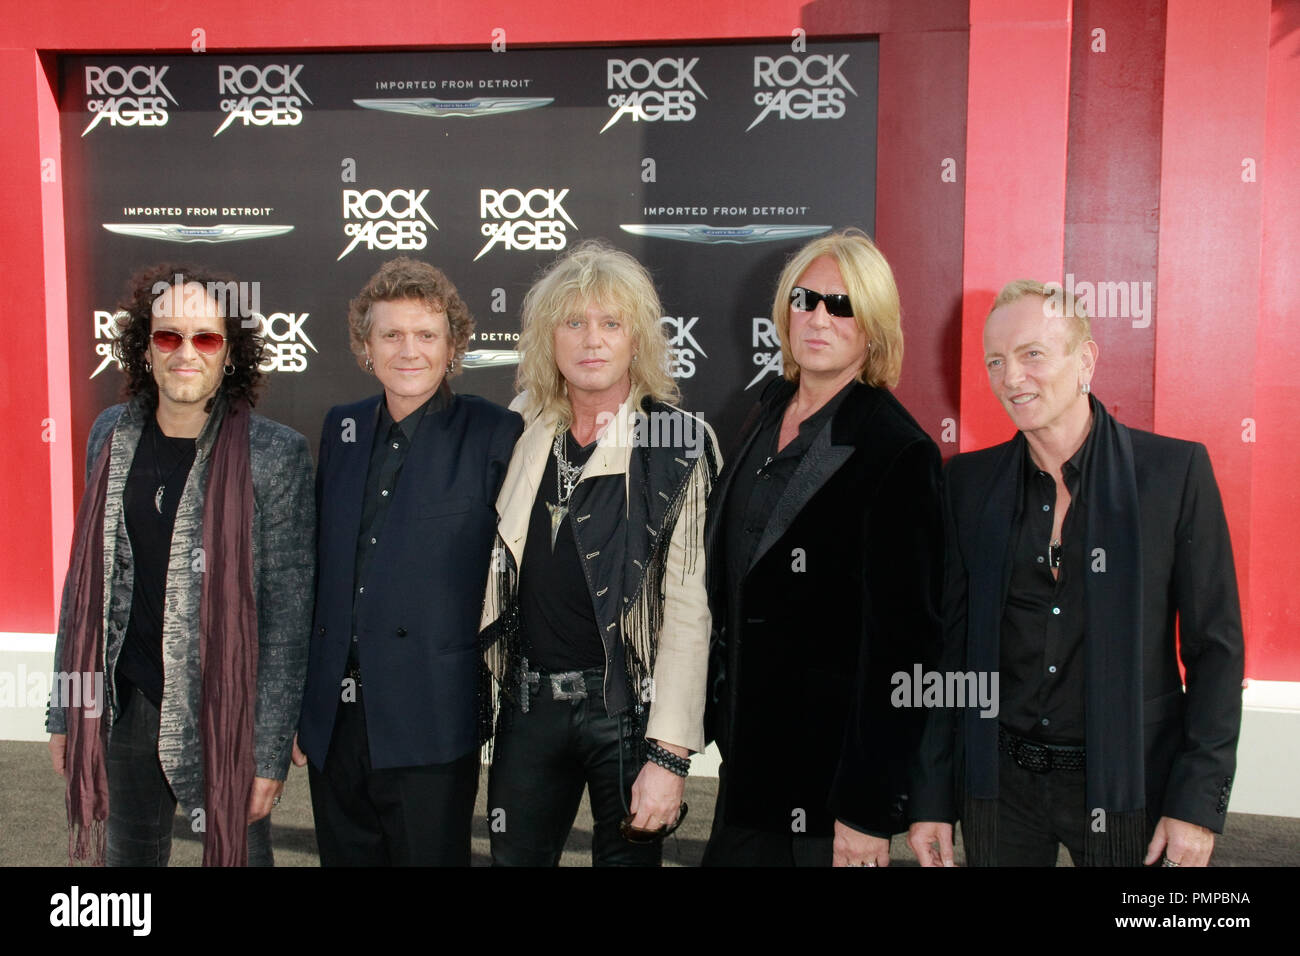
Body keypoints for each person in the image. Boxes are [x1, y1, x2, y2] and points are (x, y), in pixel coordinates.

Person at [908, 279, 1244, 867]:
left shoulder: (1172, 474)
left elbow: (1216, 651)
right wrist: (931, 797)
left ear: (1085, 359)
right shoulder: (966, 484)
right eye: (996, 360)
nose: (1011, 378)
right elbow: (949, 656)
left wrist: (1195, 802)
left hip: (1129, 786)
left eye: (1032, 354)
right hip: (998, 788)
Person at [46, 263, 315, 866]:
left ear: (229, 354)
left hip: (225, 713)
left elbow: (289, 617)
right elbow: (84, 584)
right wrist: (66, 706)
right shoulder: (109, 434)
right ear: (145, 350)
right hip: (127, 702)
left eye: (205, 338)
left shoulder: (274, 454)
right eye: (168, 336)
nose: (185, 352)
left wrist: (269, 753)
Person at [701, 228, 943, 867]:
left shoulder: (898, 452)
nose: (818, 318)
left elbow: (904, 649)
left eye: (842, 306)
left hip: (831, 788)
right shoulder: (764, 410)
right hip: (746, 765)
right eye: (806, 299)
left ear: (874, 327)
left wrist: (868, 809)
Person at [480, 240, 719, 866]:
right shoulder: (524, 426)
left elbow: (692, 611)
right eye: (574, 322)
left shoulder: (679, 443)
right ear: (547, 339)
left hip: (624, 714)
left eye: (611, 323)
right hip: (528, 707)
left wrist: (668, 755)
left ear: (636, 339)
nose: (592, 340)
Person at [296, 257, 521, 866]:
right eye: (391, 334)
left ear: (453, 347)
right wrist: (307, 706)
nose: (409, 350)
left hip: (431, 713)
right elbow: (322, 573)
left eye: (426, 335)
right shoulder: (341, 429)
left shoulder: (495, 432)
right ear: (365, 347)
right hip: (338, 721)